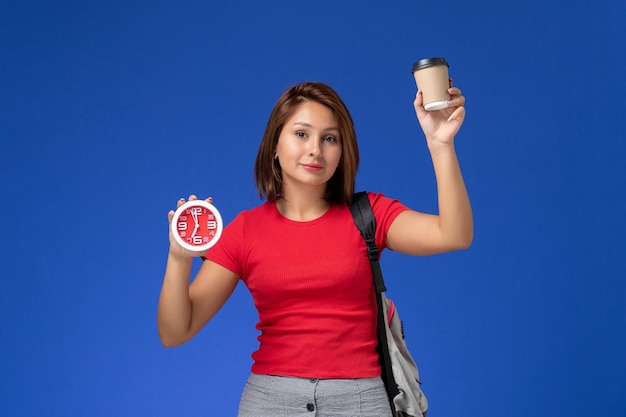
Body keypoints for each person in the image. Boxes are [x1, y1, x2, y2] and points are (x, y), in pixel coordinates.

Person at [157, 81, 472, 416]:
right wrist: (178, 257)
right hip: (271, 403)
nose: (315, 150)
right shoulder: (246, 230)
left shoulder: (370, 215)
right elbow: (176, 332)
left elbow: (453, 234)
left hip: (360, 403)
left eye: (329, 138)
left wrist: (441, 145)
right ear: (275, 145)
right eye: (301, 134)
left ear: (343, 150)